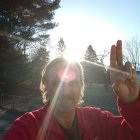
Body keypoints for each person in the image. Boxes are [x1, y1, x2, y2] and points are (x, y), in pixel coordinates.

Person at [2, 40, 140, 140]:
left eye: (73, 83)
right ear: (46, 86)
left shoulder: (98, 120)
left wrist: (133, 102)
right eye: (57, 83)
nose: (66, 91)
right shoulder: (28, 126)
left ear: (81, 86)